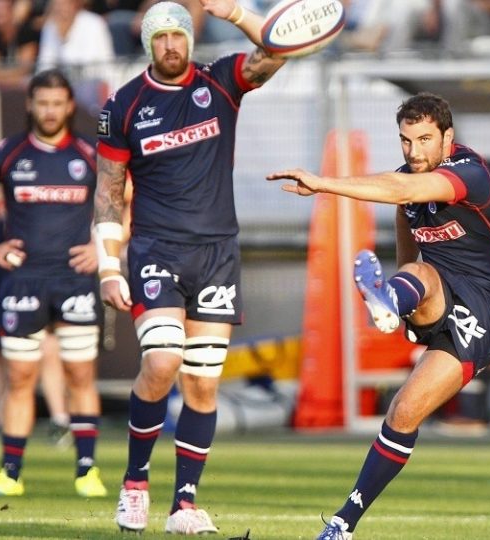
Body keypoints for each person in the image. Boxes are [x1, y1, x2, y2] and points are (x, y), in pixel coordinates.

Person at [268, 92, 490, 540]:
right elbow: (408, 234)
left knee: (423, 274)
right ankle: (343, 525)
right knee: (402, 414)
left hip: (488, 307)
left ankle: (389, 299)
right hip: (435, 293)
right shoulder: (410, 181)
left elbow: (403, 191)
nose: (415, 151)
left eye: (425, 139)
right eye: (406, 140)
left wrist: (324, 183)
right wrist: (404, 307)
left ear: (448, 138)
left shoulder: (469, 174)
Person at [93, 1, 293, 534]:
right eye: (159, 39)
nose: (170, 46)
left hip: (217, 254)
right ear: (148, 45)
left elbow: (277, 52)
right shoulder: (125, 105)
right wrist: (109, 267)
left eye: (177, 36)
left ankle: (184, 503)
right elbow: (109, 193)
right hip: (156, 250)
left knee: (203, 385)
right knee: (162, 363)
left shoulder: (220, 81)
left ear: (189, 38)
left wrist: (236, 12)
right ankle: (135, 483)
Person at [0, 69, 106, 499]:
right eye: (43, 103)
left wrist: (105, 246)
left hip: (75, 279)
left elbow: (126, 201)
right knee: (20, 377)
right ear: (31, 105)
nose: (51, 111)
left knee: (80, 374)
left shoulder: (88, 154)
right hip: (24, 280)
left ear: (69, 106)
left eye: (58, 103)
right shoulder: (10, 152)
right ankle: (10, 475)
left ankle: (87, 471)